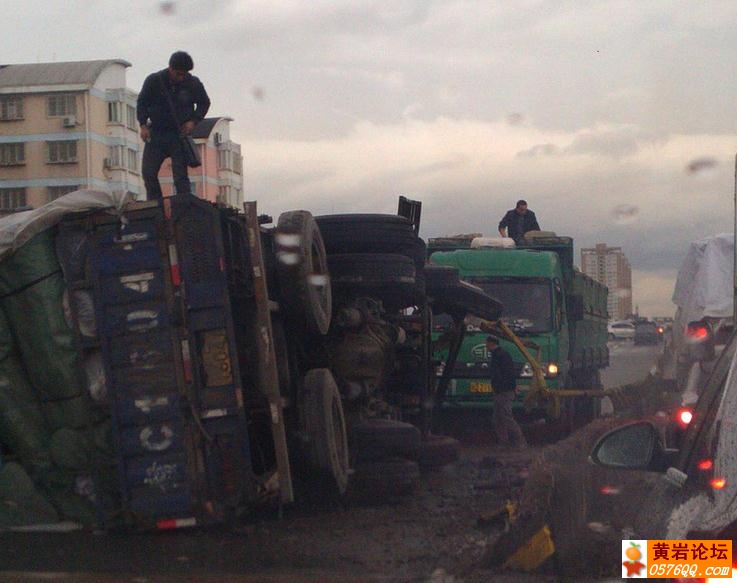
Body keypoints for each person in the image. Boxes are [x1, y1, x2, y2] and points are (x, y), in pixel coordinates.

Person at [137, 51, 211, 200]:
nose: (181, 77)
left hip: (179, 135)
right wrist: (143, 125)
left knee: (180, 177)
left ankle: (184, 206)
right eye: (178, 74)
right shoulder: (154, 81)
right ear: (170, 68)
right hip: (157, 133)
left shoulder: (193, 83)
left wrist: (193, 121)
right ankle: (155, 206)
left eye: (184, 74)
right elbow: (142, 103)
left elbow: (204, 102)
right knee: (148, 173)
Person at [486, 335, 527, 448]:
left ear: (491, 343)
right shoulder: (498, 355)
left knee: (506, 417)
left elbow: (508, 373)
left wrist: (509, 388)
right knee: (498, 418)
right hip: (499, 391)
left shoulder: (501, 355)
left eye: (486, 343)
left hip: (504, 391)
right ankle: (504, 442)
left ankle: (520, 441)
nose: (485, 346)